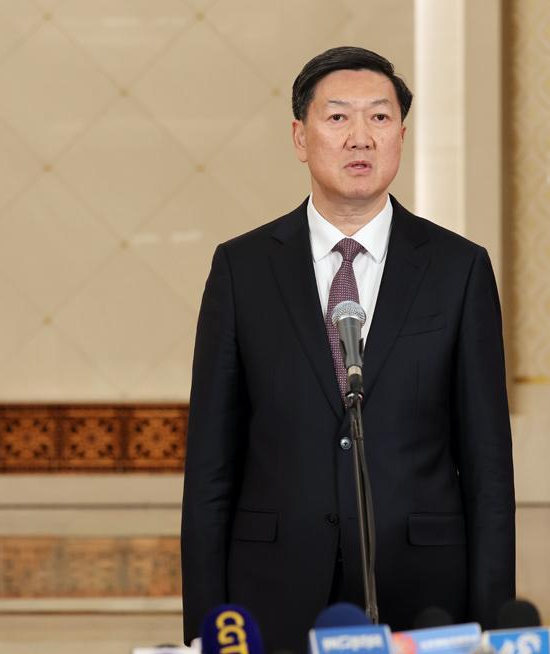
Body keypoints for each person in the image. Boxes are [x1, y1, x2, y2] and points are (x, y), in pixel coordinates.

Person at [181, 46, 515, 651]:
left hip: (423, 590)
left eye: (380, 118)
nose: (361, 137)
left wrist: (493, 626)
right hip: (272, 587)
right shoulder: (242, 269)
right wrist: (207, 627)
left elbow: (488, 468)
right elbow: (210, 464)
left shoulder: (458, 269)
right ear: (300, 137)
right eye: (338, 117)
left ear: (401, 136)